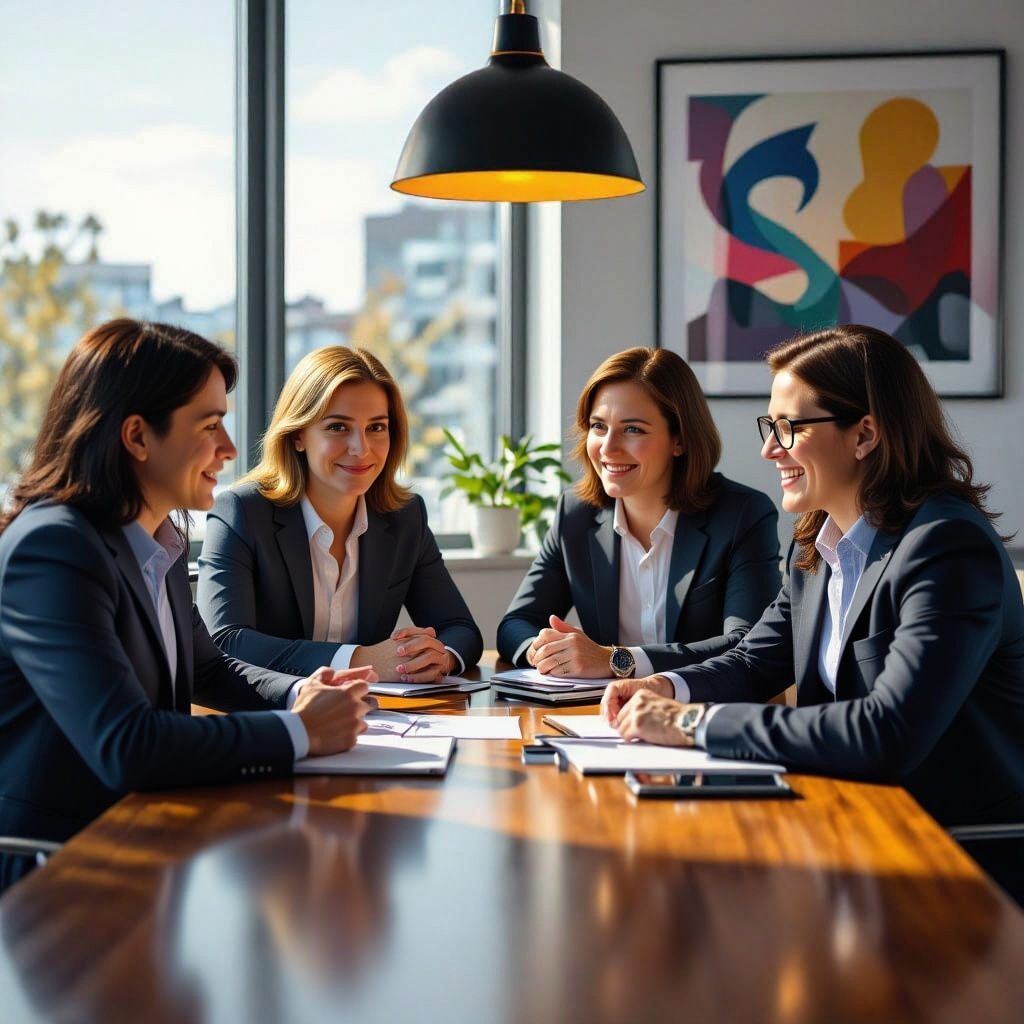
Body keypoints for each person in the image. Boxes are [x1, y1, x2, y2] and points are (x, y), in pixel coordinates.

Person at [601, 324, 1024, 835]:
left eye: (790, 428)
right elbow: (756, 660)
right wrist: (665, 685)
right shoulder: (818, 543)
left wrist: (690, 723)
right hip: (842, 819)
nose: (770, 450)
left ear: (865, 434)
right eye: (769, 427)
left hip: (949, 849)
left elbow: (888, 731)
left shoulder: (947, 547)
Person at [0, 319, 374, 890]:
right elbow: (128, 745)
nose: (229, 449)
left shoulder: (159, 536)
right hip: (57, 872)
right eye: (210, 425)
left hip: (143, 839)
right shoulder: (54, 549)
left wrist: (302, 692)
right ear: (138, 437)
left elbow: (203, 669)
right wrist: (302, 731)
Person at [197, 346, 483, 683]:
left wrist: (438, 658)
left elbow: (460, 629)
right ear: (298, 436)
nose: (361, 448)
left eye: (376, 428)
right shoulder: (241, 511)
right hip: (274, 719)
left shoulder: (406, 517)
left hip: (375, 719)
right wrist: (359, 659)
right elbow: (226, 641)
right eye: (337, 427)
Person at [496, 346, 780, 679]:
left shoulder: (742, 515)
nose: (608, 447)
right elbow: (515, 625)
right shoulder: (575, 514)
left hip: (699, 712)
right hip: (601, 715)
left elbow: (746, 645)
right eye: (598, 426)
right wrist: (548, 651)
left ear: (680, 440)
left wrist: (616, 660)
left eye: (633, 429)